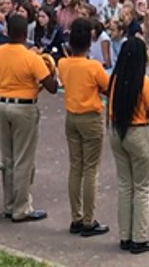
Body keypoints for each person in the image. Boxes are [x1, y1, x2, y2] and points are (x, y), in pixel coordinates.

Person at [0, 13, 59, 222]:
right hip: (23, 108)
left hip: (1, 103)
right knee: (23, 159)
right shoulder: (32, 58)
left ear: (7, 31)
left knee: (8, 157)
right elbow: (52, 87)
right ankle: (21, 208)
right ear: (24, 34)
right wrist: (52, 70)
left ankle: (9, 203)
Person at [57, 18, 111, 237]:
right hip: (90, 117)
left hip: (72, 116)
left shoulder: (63, 63)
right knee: (91, 170)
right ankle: (89, 219)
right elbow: (107, 88)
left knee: (75, 167)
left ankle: (76, 216)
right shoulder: (93, 67)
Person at [108, 37, 149, 254]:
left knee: (124, 185)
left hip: (116, 131)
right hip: (138, 131)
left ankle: (125, 236)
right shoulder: (144, 81)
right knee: (142, 187)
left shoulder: (115, 78)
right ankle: (139, 237)